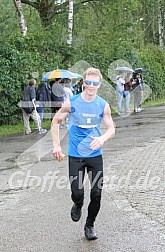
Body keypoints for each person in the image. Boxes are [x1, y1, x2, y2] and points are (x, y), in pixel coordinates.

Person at [51, 67, 115, 240]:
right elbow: (56, 121)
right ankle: (78, 204)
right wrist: (56, 145)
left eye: (95, 83)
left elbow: (111, 129)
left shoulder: (103, 105)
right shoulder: (72, 102)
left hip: (95, 156)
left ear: (99, 85)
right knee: (77, 193)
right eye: (88, 82)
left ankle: (90, 225)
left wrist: (102, 139)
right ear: (83, 82)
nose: (91, 86)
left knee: (96, 194)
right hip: (76, 156)